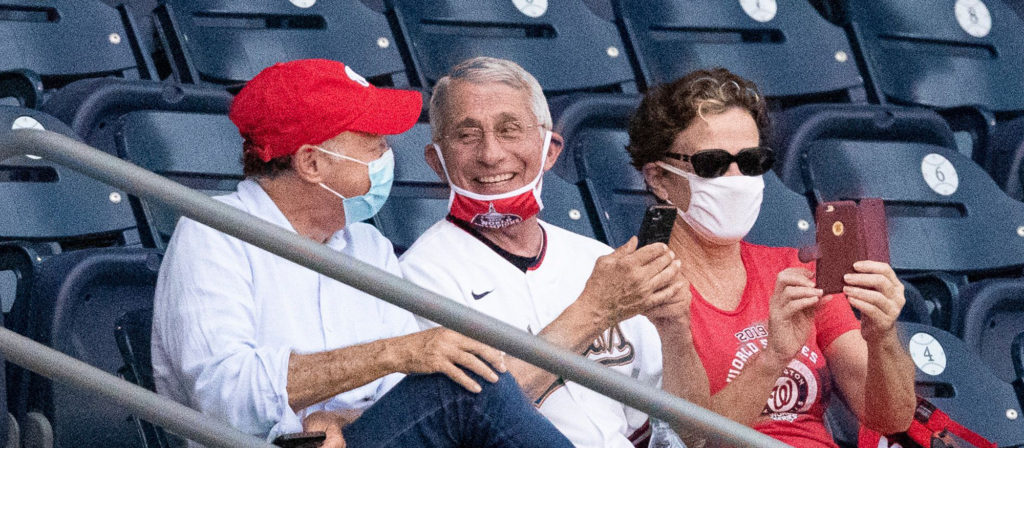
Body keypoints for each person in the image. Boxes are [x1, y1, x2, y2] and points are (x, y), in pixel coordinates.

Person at [150, 59, 572, 448]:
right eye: (372, 140)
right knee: (469, 387)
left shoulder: (367, 245)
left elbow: (401, 399)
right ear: (312, 163)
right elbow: (225, 397)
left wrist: (340, 419)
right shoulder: (214, 231)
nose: (387, 153)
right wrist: (394, 351)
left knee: (471, 388)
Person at [399, 57, 710, 448]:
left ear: (550, 150)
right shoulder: (418, 277)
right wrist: (596, 309)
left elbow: (692, 433)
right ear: (437, 162)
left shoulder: (593, 258)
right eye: (467, 135)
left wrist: (674, 330)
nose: (491, 153)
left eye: (510, 130)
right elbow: (466, 421)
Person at [626, 68, 917, 448]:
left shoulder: (795, 270)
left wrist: (882, 334)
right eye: (712, 163)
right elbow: (691, 441)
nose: (736, 177)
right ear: (659, 179)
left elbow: (890, 416)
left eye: (751, 161)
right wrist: (772, 357)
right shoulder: (640, 287)